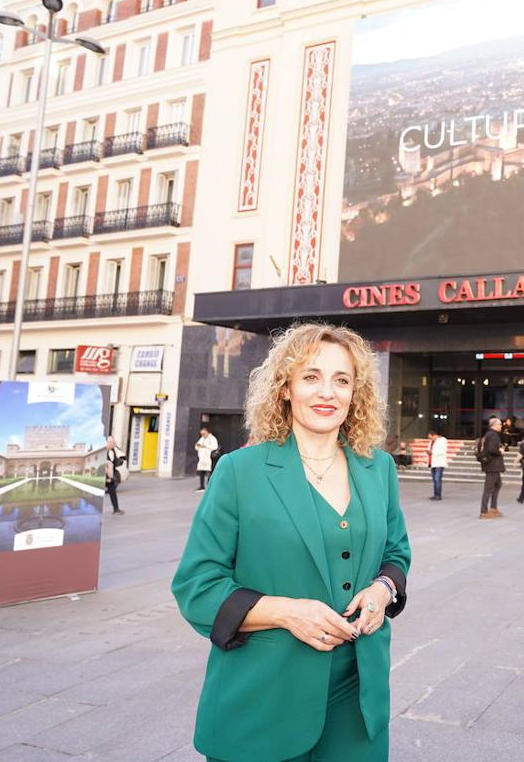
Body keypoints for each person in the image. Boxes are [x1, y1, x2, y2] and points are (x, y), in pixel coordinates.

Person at [171, 323, 411, 762]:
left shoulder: (378, 469)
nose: (328, 392)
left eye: (342, 380)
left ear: (355, 393)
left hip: (358, 700)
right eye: (311, 377)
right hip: (263, 701)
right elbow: (197, 586)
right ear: (285, 387)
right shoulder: (239, 471)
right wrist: (286, 613)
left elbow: (396, 554)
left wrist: (383, 590)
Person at [478, 416, 505, 519]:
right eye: (499, 424)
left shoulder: (490, 434)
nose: (501, 426)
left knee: (498, 484)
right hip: (492, 465)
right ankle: (484, 511)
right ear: (494, 425)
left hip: (493, 465)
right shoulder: (493, 435)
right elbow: (492, 449)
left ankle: (493, 508)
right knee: (488, 488)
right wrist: (500, 451)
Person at [104, 436, 126, 515]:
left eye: (113, 442)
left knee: (112, 492)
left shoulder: (113, 451)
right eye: (110, 442)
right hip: (104, 476)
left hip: (111, 476)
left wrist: (121, 461)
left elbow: (115, 461)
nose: (112, 444)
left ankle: (116, 509)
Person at [195, 427, 219, 492]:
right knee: (201, 472)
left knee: (209, 473)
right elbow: (196, 447)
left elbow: (215, 447)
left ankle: (209, 486)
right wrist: (199, 445)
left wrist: (205, 446)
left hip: (209, 458)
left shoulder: (212, 438)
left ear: (207, 432)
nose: (203, 435)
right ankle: (202, 486)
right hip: (202, 459)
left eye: (204, 433)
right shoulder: (201, 439)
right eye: (201, 434)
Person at [427, 429, 447, 501]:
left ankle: (438, 495)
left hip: (439, 463)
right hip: (433, 463)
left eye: (431, 437)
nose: (430, 439)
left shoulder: (442, 441)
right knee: (434, 480)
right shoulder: (431, 442)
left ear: (434, 435)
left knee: (437, 479)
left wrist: (432, 452)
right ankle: (435, 494)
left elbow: (442, 451)